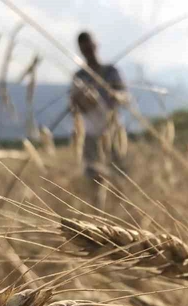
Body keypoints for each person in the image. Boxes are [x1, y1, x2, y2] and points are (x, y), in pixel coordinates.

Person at [69, 32, 128, 190]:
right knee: (95, 180)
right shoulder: (79, 77)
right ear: (81, 51)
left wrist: (115, 95)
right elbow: (74, 107)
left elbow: (125, 96)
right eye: (84, 49)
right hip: (90, 134)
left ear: (96, 45)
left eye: (89, 47)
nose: (88, 51)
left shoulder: (110, 71)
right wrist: (84, 100)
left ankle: (119, 204)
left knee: (118, 178)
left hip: (113, 131)